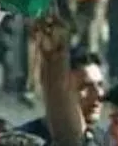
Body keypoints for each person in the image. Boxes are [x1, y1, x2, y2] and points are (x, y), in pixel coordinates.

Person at [20, 16, 106, 145]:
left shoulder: (105, 140)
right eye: (84, 87)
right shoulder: (26, 140)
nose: (98, 94)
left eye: (100, 85)